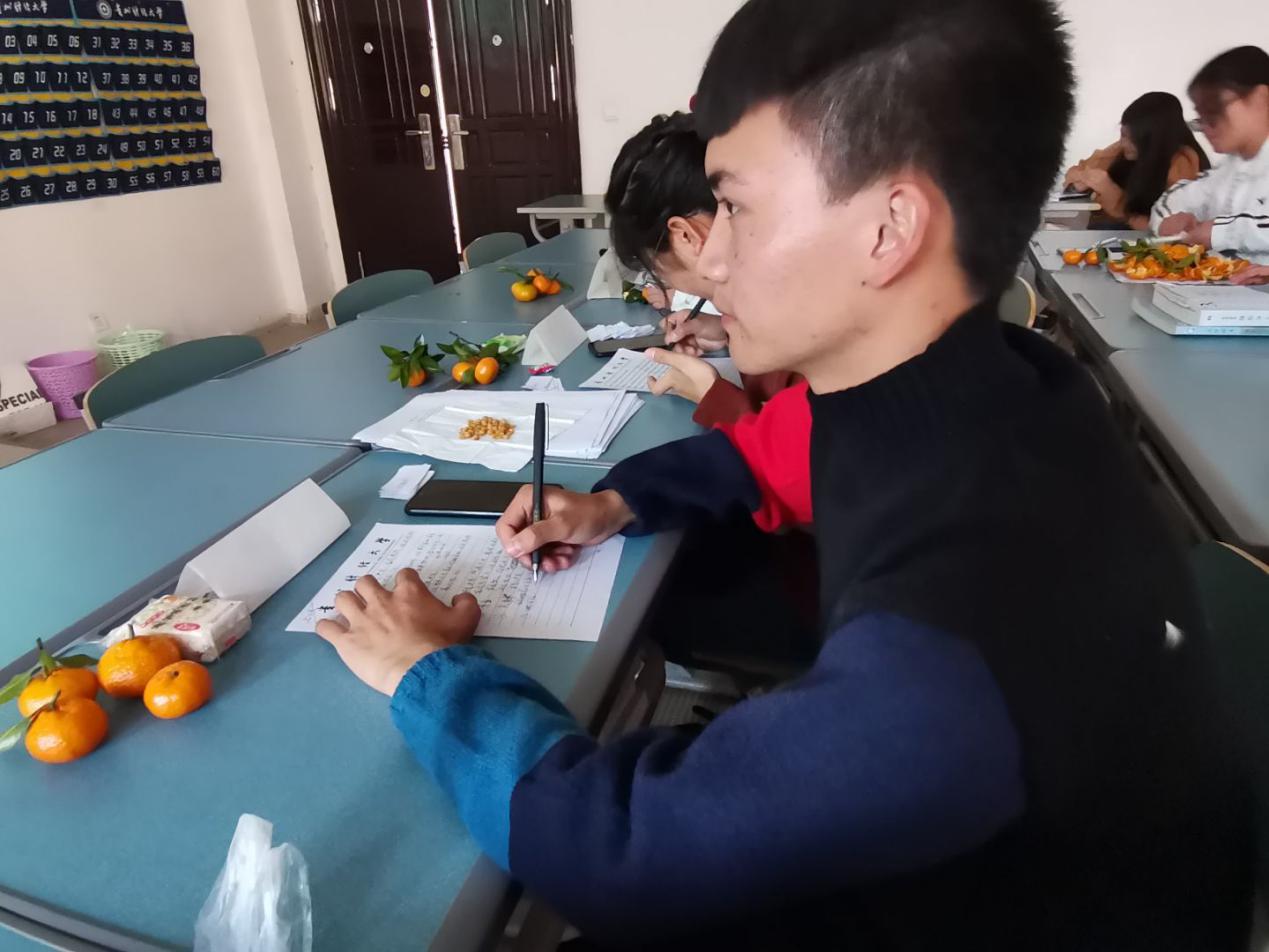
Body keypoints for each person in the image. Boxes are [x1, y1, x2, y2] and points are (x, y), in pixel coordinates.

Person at [314, 1, 1251, 949]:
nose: (711, 258)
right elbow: (766, 446)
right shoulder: (996, 380)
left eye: (735, 205)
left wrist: (426, 673)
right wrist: (611, 502)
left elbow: (616, 849)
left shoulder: (950, 644)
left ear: (888, 228)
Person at [604, 111, 799, 426]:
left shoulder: (805, 321)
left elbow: (807, 447)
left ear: (686, 237)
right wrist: (727, 329)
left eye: (731, 207)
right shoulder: (779, 304)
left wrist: (714, 397)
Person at [1152, 46, 1269, 261]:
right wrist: (1168, 220)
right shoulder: (1228, 170)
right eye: (1200, 117)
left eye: (1214, 111)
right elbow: (1171, 199)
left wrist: (1221, 232)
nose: (1205, 127)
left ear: (1261, 99)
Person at [1065, 92, 1209, 229]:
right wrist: (1079, 183)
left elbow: (1169, 231)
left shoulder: (1183, 164)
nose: (1122, 143)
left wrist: (1115, 197)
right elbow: (1076, 171)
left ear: (1152, 140)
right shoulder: (1123, 150)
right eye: (1122, 134)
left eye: (1129, 137)